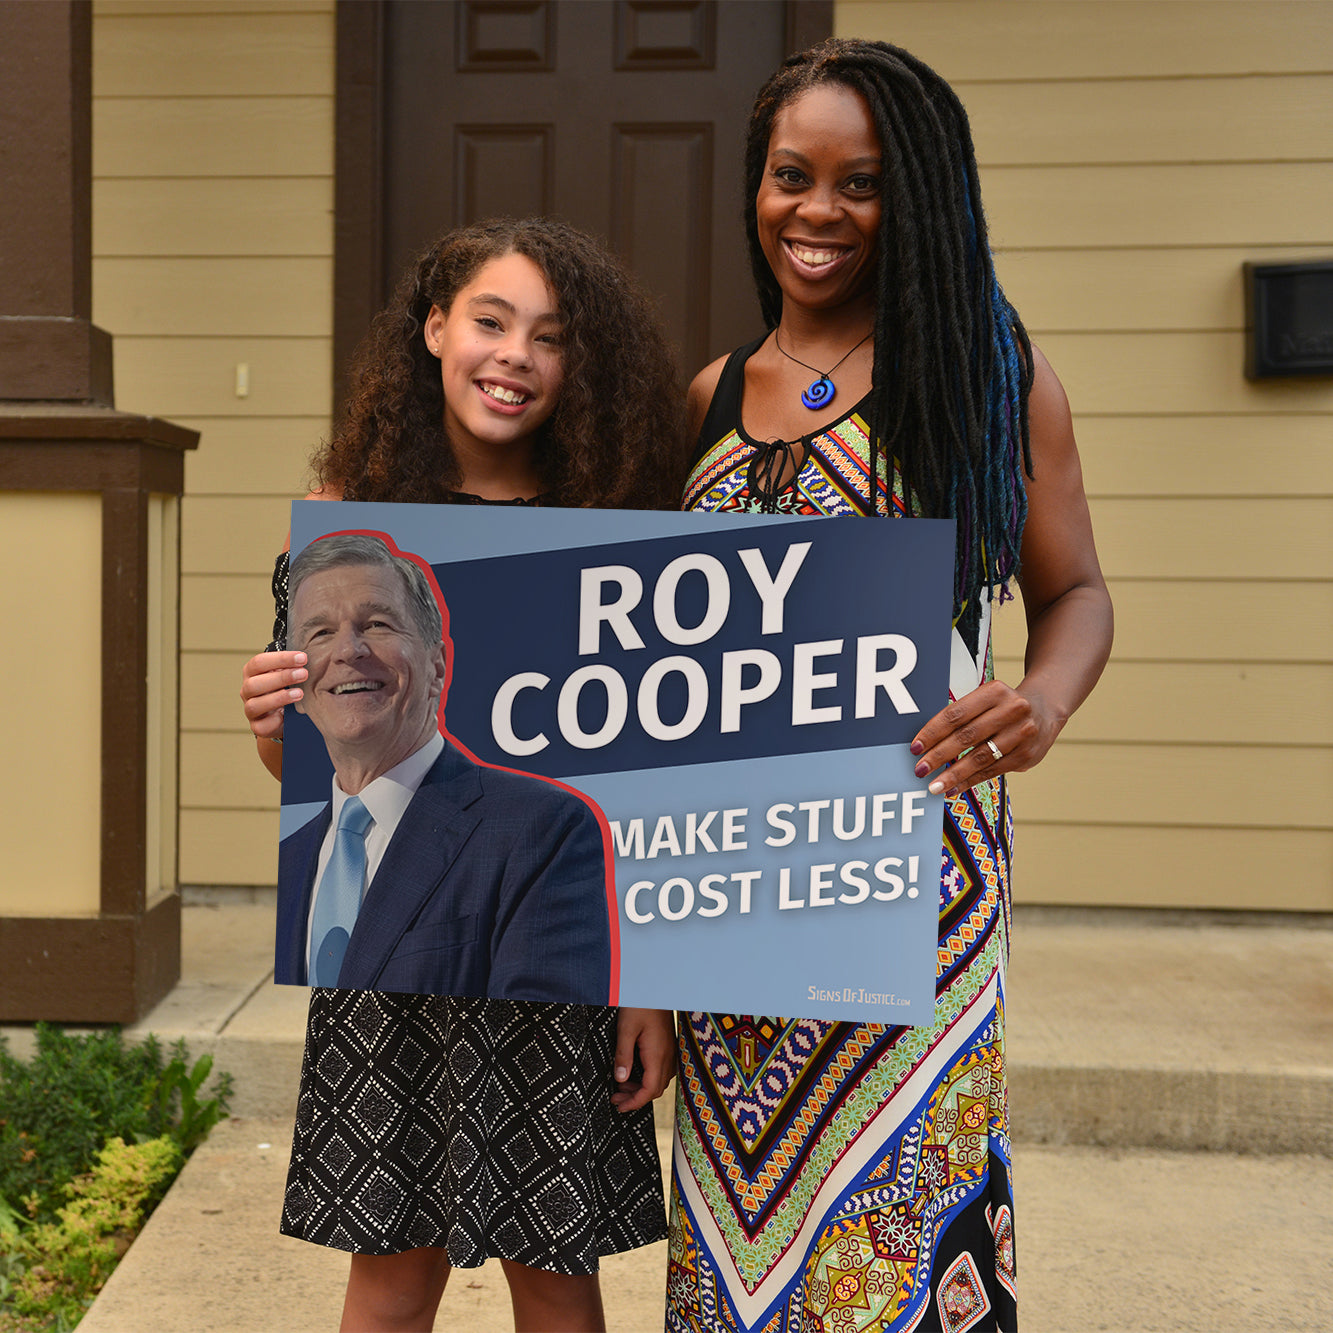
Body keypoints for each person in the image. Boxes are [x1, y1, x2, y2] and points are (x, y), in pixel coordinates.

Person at [668, 39, 1113, 1333]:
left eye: (858, 183)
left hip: (914, 880)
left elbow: (1077, 593)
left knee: (898, 1221)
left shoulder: (985, 381)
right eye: (789, 175)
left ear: (914, 196)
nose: (816, 211)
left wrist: (1042, 701)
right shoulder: (703, 401)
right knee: (738, 1240)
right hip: (731, 890)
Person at [240, 218, 683, 1333]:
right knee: (390, 1274)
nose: (515, 355)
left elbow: (645, 794)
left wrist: (648, 983)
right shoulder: (347, 528)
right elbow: (316, 768)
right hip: (393, 952)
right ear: (436, 328)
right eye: (491, 320)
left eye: (550, 334)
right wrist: (267, 725)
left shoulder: (616, 534)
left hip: (552, 959)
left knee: (554, 1274)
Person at [276, 533, 613, 1003]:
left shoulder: (541, 830)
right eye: (320, 633)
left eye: (376, 624)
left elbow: (543, 1046)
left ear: (437, 666)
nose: (348, 650)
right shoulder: (293, 857)